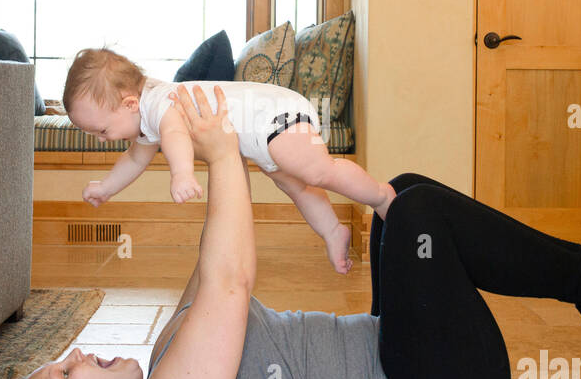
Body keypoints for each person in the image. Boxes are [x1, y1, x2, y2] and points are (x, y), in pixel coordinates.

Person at [1, 84, 581, 379]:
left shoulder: (165, 367)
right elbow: (234, 280)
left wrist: (207, 134)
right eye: (64, 375)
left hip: (408, 365)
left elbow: (219, 253)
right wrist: (214, 157)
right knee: (416, 212)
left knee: (402, 199)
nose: (78, 354)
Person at [61, 47, 395, 273]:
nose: (102, 139)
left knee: (316, 171)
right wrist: (106, 187)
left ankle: (380, 195)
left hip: (273, 114)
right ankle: (333, 231)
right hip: (261, 137)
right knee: (293, 183)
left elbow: (176, 134)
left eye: (102, 130)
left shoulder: (160, 102)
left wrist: (182, 175)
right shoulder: (143, 121)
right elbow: (134, 160)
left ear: (130, 103)